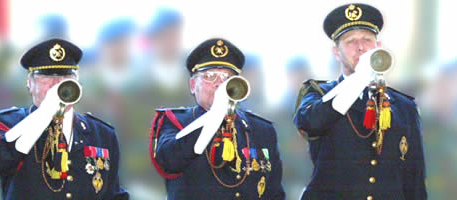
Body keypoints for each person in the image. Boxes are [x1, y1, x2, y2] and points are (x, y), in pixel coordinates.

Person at [293, 3, 426, 199]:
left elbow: (414, 178)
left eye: (367, 40)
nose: (361, 48)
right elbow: (310, 123)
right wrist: (360, 78)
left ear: (378, 47)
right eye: (350, 42)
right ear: (336, 53)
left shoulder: (404, 106)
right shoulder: (319, 93)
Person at [0, 39, 129, 199]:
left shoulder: (102, 133)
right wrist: (45, 112)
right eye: (47, 76)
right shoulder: (9, 124)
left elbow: (113, 193)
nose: (57, 84)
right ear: (30, 84)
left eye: (65, 75)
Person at [149, 38, 285, 199]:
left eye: (227, 77)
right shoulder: (174, 121)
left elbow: (274, 193)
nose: (219, 84)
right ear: (193, 85)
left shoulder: (262, 129)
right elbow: (170, 161)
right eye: (210, 76)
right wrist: (215, 115)